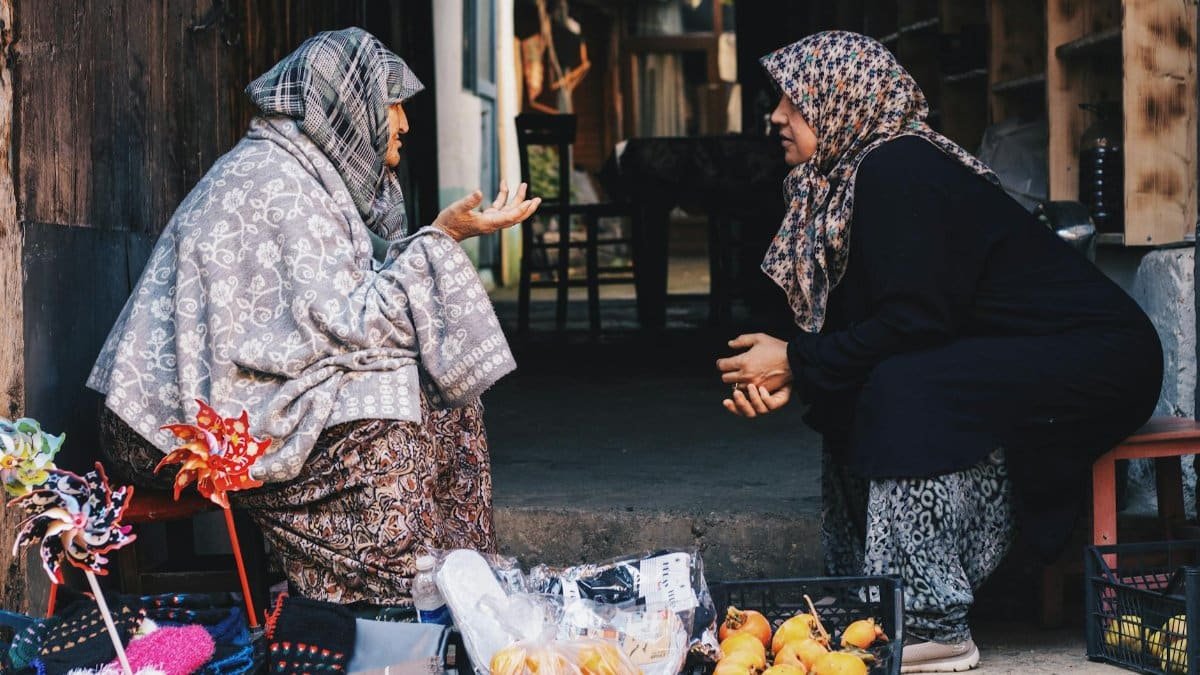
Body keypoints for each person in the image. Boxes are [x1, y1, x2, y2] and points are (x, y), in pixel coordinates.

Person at [716, 32, 1162, 673]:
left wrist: (800, 359)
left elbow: (916, 322)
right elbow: (887, 324)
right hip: (1021, 352)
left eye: (795, 100)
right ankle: (862, 605)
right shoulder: (847, 181)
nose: (777, 116)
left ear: (845, 99)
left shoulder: (899, 167)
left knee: (909, 388)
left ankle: (926, 620)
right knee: (865, 387)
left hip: (1098, 358)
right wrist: (804, 369)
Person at [87, 28, 539, 606]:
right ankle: (398, 587)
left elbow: (347, 311)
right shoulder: (278, 182)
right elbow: (350, 325)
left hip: (239, 395)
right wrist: (441, 238)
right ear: (345, 107)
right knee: (383, 427)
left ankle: (454, 578)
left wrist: (436, 240)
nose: (403, 123)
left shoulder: (304, 174)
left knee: (439, 396)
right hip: (163, 428)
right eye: (391, 103)